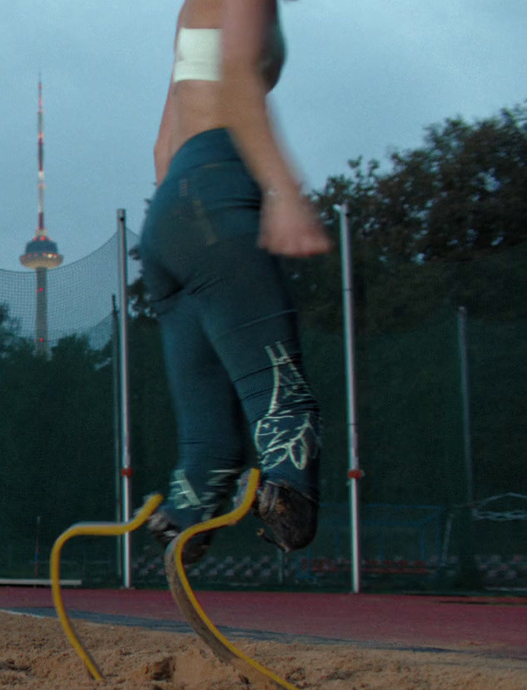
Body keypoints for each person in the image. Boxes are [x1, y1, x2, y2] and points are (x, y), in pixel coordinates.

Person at [138, 0, 330, 563]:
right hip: (218, 190)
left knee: (210, 447)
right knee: (284, 408)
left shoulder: (193, 9)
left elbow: (164, 140)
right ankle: (288, 493)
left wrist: (184, 217)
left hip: (169, 215)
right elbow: (242, 77)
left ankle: (184, 519)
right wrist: (285, 192)